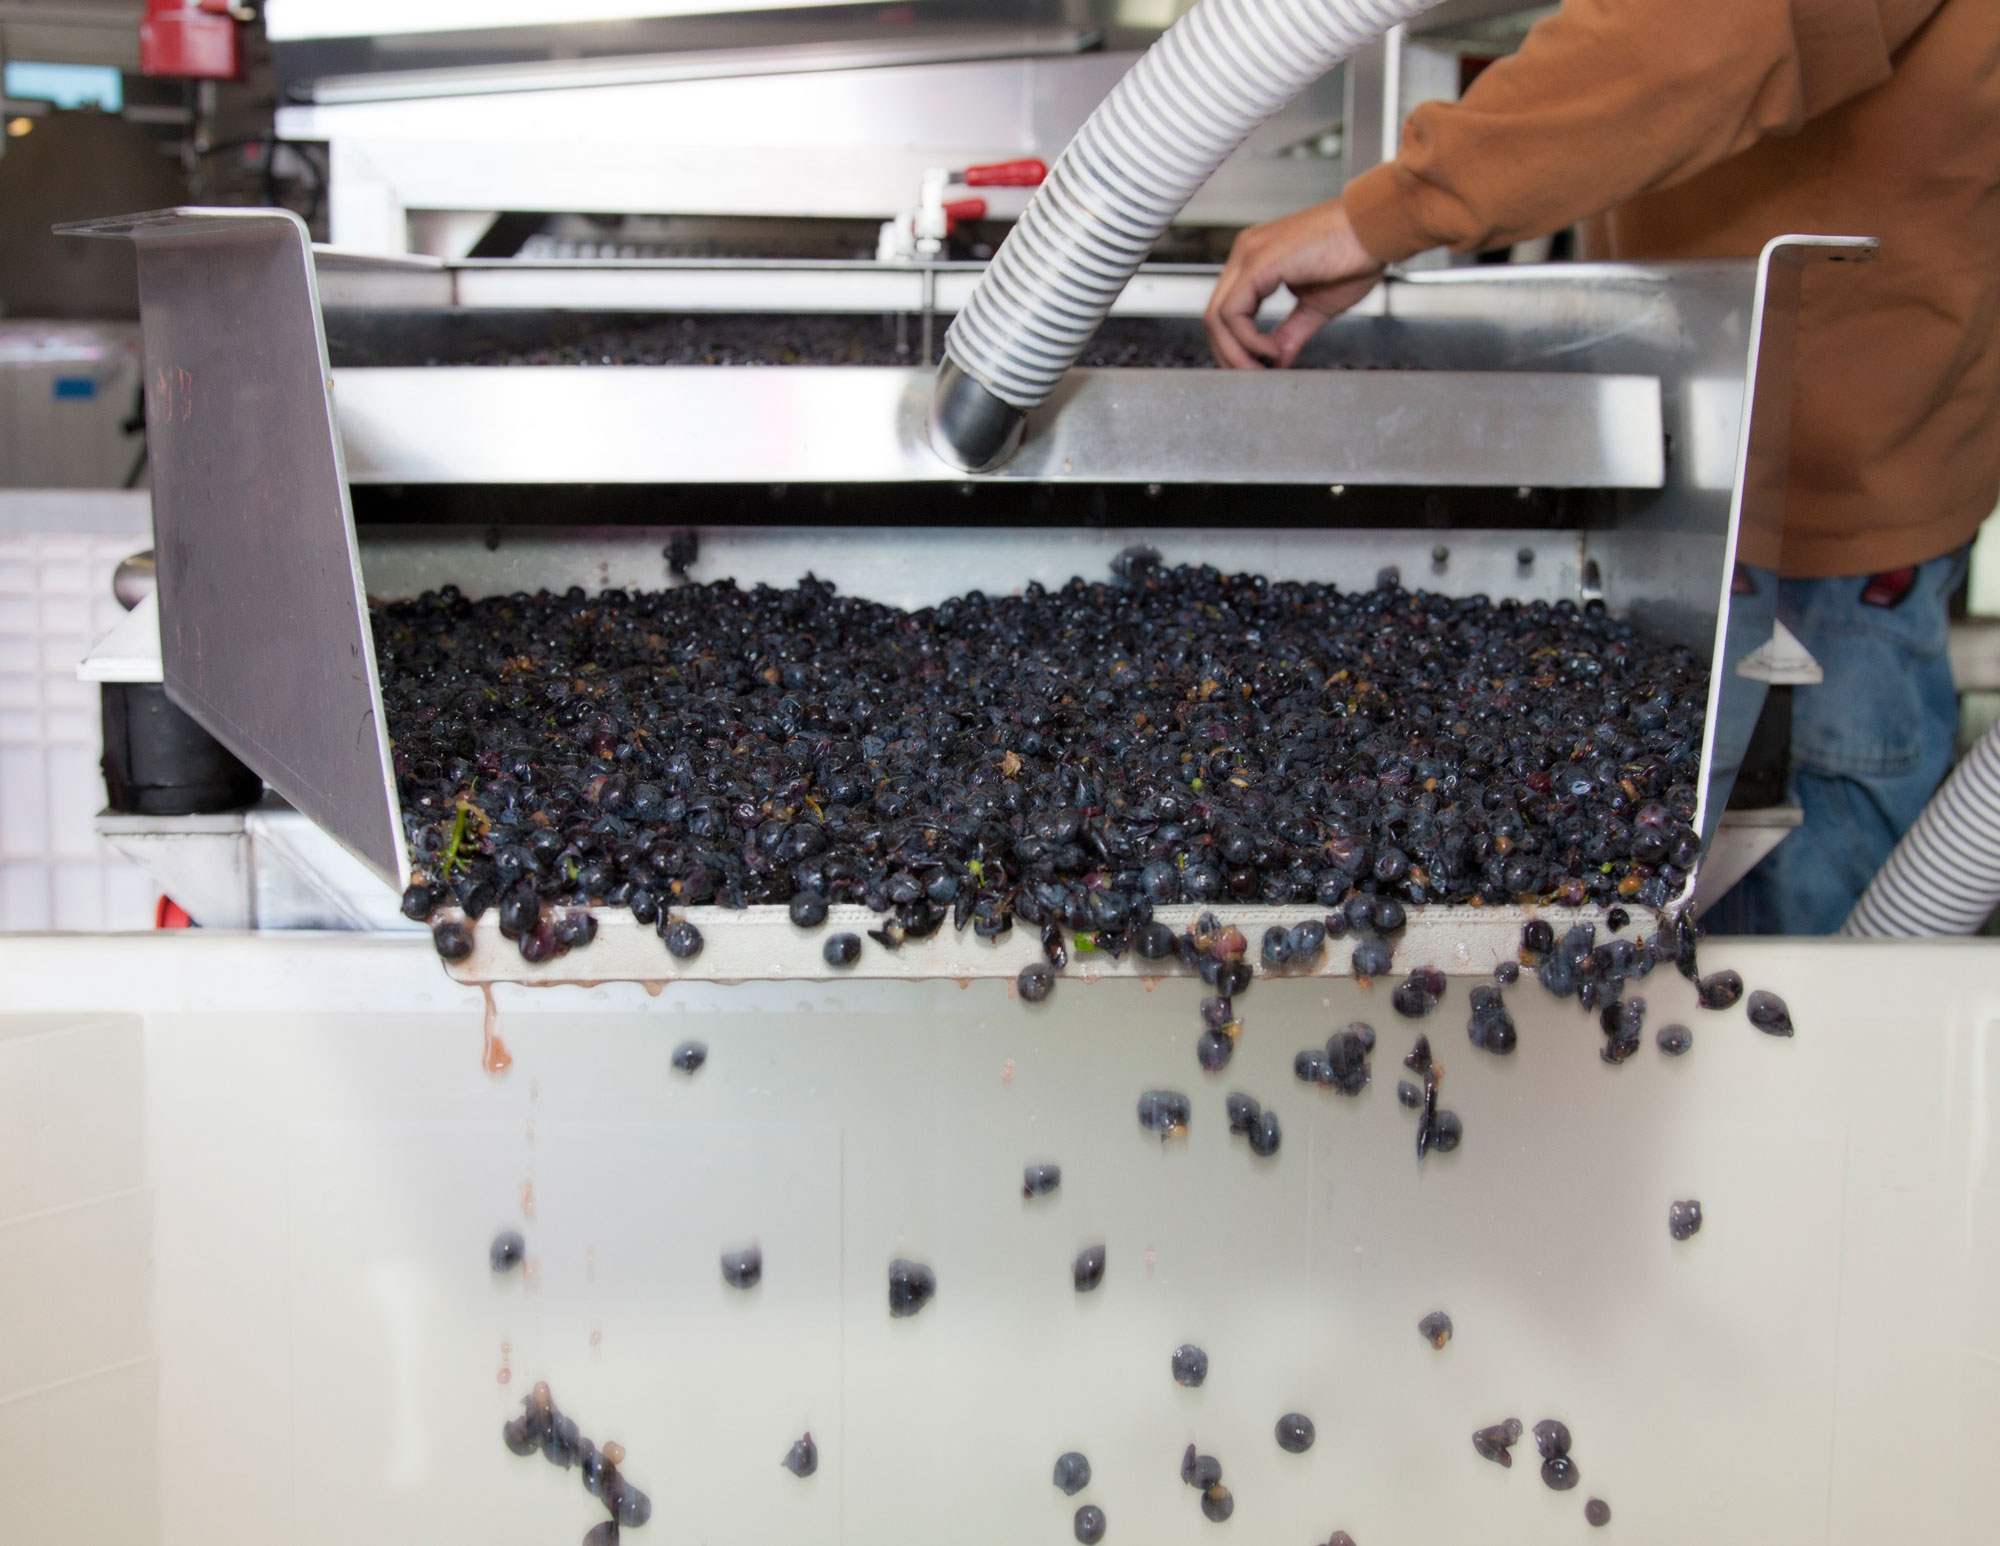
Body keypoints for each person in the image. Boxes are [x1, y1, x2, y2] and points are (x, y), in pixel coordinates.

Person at [1204, 0, 2000, 934]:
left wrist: (1388, 209)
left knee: (1791, 999)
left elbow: (1703, 29)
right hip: (1721, 458)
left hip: (1819, 515)